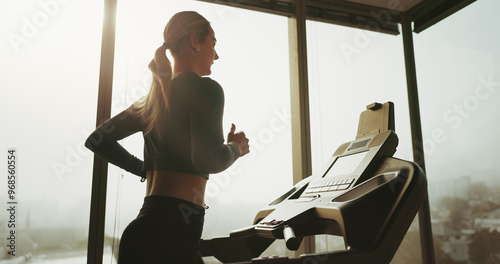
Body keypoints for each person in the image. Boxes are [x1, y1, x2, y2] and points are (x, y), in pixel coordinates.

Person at [85, 11, 250, 264]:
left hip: (145, 233)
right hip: (172, 236)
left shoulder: (152, 99)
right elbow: (210, 160)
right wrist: (235, 147)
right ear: (195, 41)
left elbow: (98, 139)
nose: (216, 55)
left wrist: (144, 169)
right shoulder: (208, 89)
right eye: (213, 44)